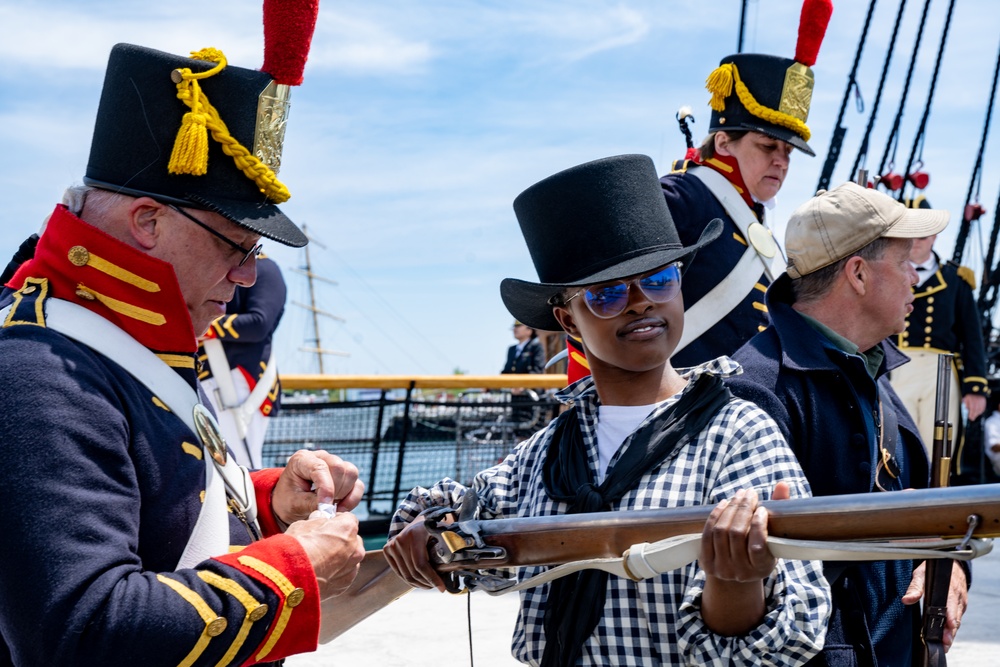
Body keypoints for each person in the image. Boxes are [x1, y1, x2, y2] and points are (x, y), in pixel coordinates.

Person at [0, 40, 366, 666]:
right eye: (239, 247)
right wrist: (290, 569)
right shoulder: (36, 370)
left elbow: (158, 513)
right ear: (148, 222)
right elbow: (80, 631)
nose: (249, 276)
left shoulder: (125, 341)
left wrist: (271, 503)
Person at [384, 154, 830, 666]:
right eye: (607, 293)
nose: (640, 302)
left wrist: (737, 579)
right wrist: (430, 526)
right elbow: (468, 513)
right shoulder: (547, 451)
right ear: (567, 320)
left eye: (660, 279)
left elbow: (793, 630)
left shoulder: (739, 434)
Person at [727, 182, 969, 666]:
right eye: (904, 264)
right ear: (857, 274)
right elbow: (749, 575)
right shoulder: (758, 387)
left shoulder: (871, 369)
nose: (914, 280)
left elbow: (926, 507)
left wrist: (950, 564)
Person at [562, 0, 834, 379]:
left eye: (788, 152)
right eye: (767, 146)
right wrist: (595, 385)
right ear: (723, 143)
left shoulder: (749, 213)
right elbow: (592, 276)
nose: (781, 161)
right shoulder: (684, 197)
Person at [890, 196, 990, 480]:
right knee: (896, 441)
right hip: (897, 368)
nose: (917, 239)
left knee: (940, 443)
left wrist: (975, 387)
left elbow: (972, 337)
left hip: (940, 371)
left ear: (934, 234)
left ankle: (936, 503)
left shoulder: (956, 279)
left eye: (922, 231)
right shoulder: (886, 276)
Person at [199, 255, 288, 468]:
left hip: (240, 382)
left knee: (241, 467)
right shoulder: (213, 269)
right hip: (203, 378)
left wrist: (202, 327)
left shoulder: (266, 269)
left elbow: (259, 323)